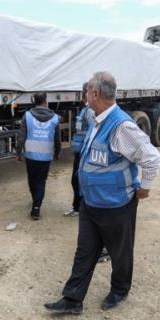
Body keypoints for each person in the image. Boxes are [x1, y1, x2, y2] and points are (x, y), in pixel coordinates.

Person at [45, 71, 160, 314]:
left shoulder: (122, 126)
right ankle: (72, 300)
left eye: (87, 91)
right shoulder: (95, 118)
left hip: (117, 205)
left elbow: (152, 157)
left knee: (120, 253)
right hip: (91, 203)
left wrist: (145, 188)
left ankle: (120, 290)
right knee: (84, 252)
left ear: (95, 93)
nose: (85, 95)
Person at [16, 92, 61, 220]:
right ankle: (36, 207)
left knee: (32, 180)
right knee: (41, 181)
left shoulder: (27, 116)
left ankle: (35, 202)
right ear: (46, 102)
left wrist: (18, 152)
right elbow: (57, 140)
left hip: (30, 156)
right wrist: (57, 153)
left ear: (34, 101)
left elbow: (21, 137)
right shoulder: (55, 118)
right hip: (45, 158)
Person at [64, 82, 94, 218]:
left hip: (84, 152)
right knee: (76, 180)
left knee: (77, 180)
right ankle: (77, 207)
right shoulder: (85, 110)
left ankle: (80, 208)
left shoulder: (90, 111)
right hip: (80, 151)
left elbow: (93, 132)